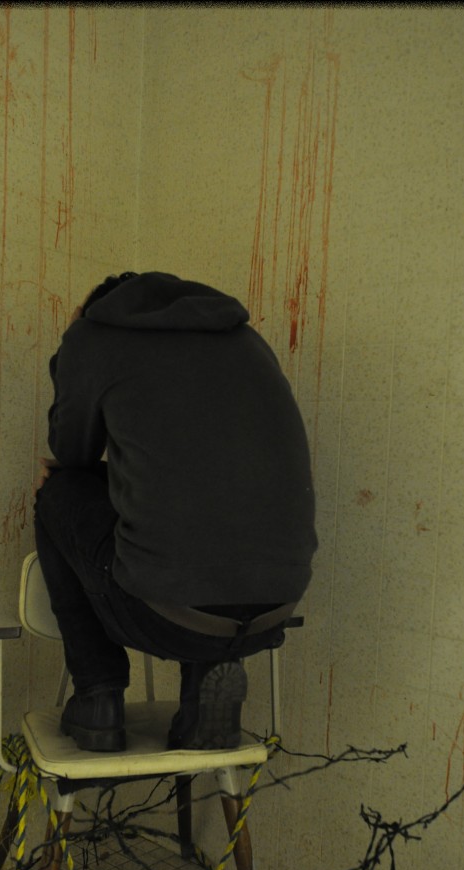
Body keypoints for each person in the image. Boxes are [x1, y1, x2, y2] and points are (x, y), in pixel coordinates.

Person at [33, 271, 317, 753]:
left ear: (97, 310)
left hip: (163, 617)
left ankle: (97, 694)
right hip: (274, 612)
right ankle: (208, 706)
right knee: (206, 517)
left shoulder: (94, 334)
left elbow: (72, 450)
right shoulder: (248, 342)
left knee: (58, 491)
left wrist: (71, 349)